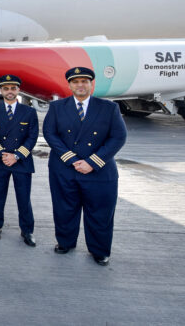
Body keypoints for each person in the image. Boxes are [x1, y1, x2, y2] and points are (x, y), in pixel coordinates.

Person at [43, 67, 127, 266]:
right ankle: (65, 242)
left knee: (100, 213)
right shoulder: (57, 107)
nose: (80, 85)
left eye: (84, 81)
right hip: (65, 168)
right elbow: (50, 133)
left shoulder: (109, 108)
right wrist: (71, 159)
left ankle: (99, 250)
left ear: (91, 84)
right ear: (70, 85)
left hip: (99, 170)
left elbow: (118, 137)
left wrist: (92, 162)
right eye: (76, 82)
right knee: (64, 209)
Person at [0, 75, 39, 246]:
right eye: (6, 88)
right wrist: (2, 153)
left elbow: (32, 136)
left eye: (13, 88)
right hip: (0, 160)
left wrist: (16, 156)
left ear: (18, 90)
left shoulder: (29, 112)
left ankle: (27, 230)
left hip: (21, 161)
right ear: (1, 90)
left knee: (24, 198)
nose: (10, 91)